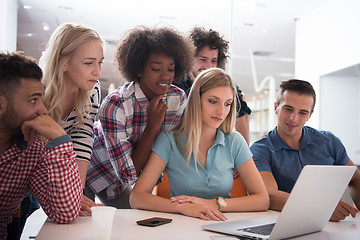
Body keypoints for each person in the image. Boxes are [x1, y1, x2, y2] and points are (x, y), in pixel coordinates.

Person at [130, 68, 269, 221]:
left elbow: (262, 199)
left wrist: (213, 204)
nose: (221, 111)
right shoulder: (169, 140)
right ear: (196, 100)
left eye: (227, 104)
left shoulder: (235, 141)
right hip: (180, 226)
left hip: (223, 225)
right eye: (213, 101)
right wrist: (182, 207)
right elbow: (137, 197)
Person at [86, 26, 193, 208]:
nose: (165, 76)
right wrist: (152, 126)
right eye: (156, 68)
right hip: (93, 168)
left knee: (135, 217)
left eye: (171, 69)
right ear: (139, 70)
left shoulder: (178, 99)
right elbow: (129, 174)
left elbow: (168, 154)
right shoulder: (115, 105)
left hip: (129, 177)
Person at [250, 79, 360, 222]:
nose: (293, 118)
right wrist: (321, 208)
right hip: (285, 224)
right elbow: (269, 195)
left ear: (310, 115)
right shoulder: (260, 149)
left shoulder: (329, 142)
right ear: (276, 107)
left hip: (334, 226)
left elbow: (355, 178)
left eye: (302, 112)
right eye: (288, 109)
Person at [0, 51, 82, 239]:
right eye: (33, 100)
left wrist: (60, 139)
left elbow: (65, 213)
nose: (43, 110)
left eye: (41, 99)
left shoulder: (32, 152)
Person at [39, 23, 104, 215]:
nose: (97, 71)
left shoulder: (92, 89)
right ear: (63, 62)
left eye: (100, 62)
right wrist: (66, 196)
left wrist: (75, 194)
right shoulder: (37, 91)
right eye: (89, 63)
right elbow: (31, 152)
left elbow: (82, 138)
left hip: (52, 169)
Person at [173, 27, 252, 145]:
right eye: (203, 59)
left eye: (214, 61)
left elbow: (242, 117)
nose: (209, 66)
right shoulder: (176, 85)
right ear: (189, 58)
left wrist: (242, 154)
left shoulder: (226, 86)